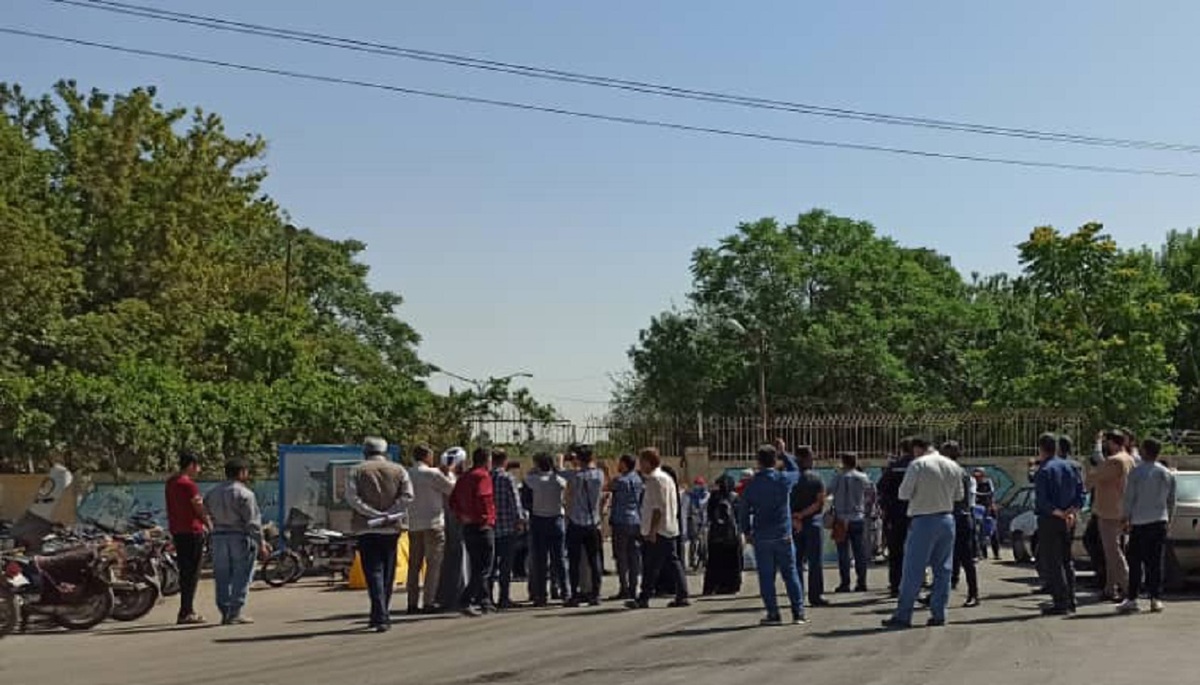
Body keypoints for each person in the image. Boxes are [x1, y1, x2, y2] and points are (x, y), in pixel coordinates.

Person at [882, 437, 963, 630]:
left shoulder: (918, 465)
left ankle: (903, 615)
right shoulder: (953, 466)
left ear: (917, 449)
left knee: (913, 569)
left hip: (923, 519)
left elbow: (903, 493)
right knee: (943, 570)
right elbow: (959, 495)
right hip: (947, 519)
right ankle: (939, 614)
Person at [345, 437, 414, 632]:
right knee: (388, 573)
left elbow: (352, 497)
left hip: (366, 527)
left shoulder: (357, 470)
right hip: (391, 528)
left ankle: (379, 615)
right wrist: (390, 512)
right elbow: (408, 496)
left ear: (365, 451)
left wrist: (372, 513)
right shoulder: (399, 470)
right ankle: (381, 613)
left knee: (373, 572)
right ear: (384, 452)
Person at [740, 444, 806, 625]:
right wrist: (784, 453)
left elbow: (744, 511)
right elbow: (796, 471)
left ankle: (773, 613)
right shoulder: (783, 479)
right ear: (774, 460)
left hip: (762, 536)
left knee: (766, 577)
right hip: (783, 534)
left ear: (758, 462)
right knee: (790, 574)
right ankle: (798, 612)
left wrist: (746, 531)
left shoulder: (752, 485)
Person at [203, 458, 268, 625]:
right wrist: (261, 543)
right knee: (242, 574)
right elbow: (253, 522)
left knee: (221, 575)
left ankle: (224, 610)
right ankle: (235, 611)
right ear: (241, 473)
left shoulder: (212, 492)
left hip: (218, 537)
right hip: (239, 536)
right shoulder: (245, 494)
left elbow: (205, 513)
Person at [627, 447, 690, 610]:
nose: (640, 465)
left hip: (659, 529)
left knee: (651, 565)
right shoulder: (666, 478)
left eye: (642, 462)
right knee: (671, 562)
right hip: (669, 526)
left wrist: (652, 531)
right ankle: (682, 593)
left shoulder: (655, 480)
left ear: (649, 462)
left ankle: (644, 597)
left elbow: (657, 508)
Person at [1119, 438, 1176, 614]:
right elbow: (1171, 500)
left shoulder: (1136, 472)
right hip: (1159, 521)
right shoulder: (1166, 473)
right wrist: (1169, 520)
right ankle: (1155, 598)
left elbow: (1129, 497)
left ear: (1144, 451)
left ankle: (1132, 598)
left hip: (1140, 522)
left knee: (1135, 561)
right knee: (1155, 561)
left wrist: (1125, 518)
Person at [1033, 433, 1086, 616]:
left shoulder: (1044, 470)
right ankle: (1071, 599)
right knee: (1067, 560)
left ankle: (1060, 602)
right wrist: (1071, 512)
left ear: (1041, 448)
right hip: (1069, 519)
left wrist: (1059, 513)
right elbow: (1081, 493)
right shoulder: (1072, 467)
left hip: (1050, 519)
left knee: (1053, 562)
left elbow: (1042, 501)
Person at [406, 444, 455, 614]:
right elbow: (451, 489)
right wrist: (449, 473)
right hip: (433, 523)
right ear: (426, 456)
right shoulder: (432, 473)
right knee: (433, 565)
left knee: (414, 565)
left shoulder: (407, 473)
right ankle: (429, 601)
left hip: (413, 524)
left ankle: (412, 602)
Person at [1089, 430, 1136, 603]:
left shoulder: (1115, 461)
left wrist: (1090, 473)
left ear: (1112, 443)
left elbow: (1095, 476)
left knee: (1113, 552)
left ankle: (1129, 588)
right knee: (1112, 552)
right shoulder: (1129, 459)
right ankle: (1110, 588)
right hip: (1121, 510)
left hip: (1109, 511)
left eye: (1107, 443)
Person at [449, 447, 497, 617]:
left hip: (468, 525)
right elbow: (484, 498)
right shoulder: (482, 476)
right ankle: (466, 600)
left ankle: (484, 601)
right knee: (485, 567)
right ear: (486, 460)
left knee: (476, 565)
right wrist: (486, 519)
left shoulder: (464, 477)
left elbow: (452, 500)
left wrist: (461, 515)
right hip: (482, 526)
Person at [165, 450, 209, 625]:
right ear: (191, 465)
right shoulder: (189, 485)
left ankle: (185, 610)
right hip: (192, 531)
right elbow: (199, 508)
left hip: (177, 531)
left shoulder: (171, 483)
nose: (199, 470)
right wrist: (209, 524)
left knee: (185, 572)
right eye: (198, 466)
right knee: (192, 573)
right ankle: (187, 611)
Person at [561, 445, 606, 606]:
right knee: (594, 560)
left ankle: (574, 594)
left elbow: (558, 472)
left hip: (576, 521)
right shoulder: (599, 474)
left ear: (578, 459)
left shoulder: (575, 475)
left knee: (574, 561)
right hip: (593, 522)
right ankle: (596, 594)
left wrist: (564, 459)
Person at [525, 452, 570, 607]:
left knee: (540, 561)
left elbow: (527, 482)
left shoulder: (534, 480)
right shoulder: (559, 480)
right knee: (560, 559)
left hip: (539, 520)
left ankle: (541, 595)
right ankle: (565, 592)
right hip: (556, 519)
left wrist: (533, 471)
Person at [788, 445, 828, 607]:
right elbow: (820, 502)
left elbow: (783, 501)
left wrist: (795, 517)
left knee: (796, 562)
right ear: (806, 459)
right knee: (815, 562)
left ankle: (798, 596)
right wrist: (803, 514)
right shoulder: (816, 478)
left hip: (793, 524)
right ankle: (815, 595)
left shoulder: (789, 478)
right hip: (813, 522)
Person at [489, 449, 526, 610]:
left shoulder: (486, 477)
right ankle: (504, 598)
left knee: (490, 566)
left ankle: (488, 598)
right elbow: (515, 501)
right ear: (504, 460)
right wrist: (520, 520)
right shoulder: (508, 478)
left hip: (491, 527)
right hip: (507, 527)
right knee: (506, 565)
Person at [944, 442, 980, 608]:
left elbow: (958, 498)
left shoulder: (956, 472)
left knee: (966, 559)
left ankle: (974, 594)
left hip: (959, 518)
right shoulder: (956, 471)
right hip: (955, 517)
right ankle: (938, 592)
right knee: (944, 558)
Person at [878, 438, 916, 596]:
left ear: (901, 449)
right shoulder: (919, 466)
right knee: (916, 551)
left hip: (895, 515)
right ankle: (914, 585)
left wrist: (886, 508)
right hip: (916, 514)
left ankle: (895, 585)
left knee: (896, 552)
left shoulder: (893, 467)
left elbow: (881, 488)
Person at [831, 452, 871, 593]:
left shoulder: (838, 477)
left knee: (843, 552)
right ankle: (862, 582)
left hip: (841, 518)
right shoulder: (862, 477)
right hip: (857, 517)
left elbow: (828, 491)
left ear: (843, 462)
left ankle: (845, 583)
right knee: (859, 552)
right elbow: (870, 494)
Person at [607, 454, 644, 601]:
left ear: (624, 464)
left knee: (621, 557)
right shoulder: (638, 480)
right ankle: (633, 588)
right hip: (636, 520)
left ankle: (624, 587)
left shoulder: (620, 481)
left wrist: (606, 472)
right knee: (634, 556)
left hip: (621, 521)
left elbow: (607, 486)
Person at [437, 448, 469, 612]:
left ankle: (446, 595)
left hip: (449, 520)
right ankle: (457, 595)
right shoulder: (450, 479)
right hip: (454, 521)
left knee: (451, 558)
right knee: (458, 557)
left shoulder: (445, 477)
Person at [702, 475, 743, 595]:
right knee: (732, 562)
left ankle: (712, 587)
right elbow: (739, 516)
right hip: (731, 536)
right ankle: (731, 586)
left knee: (714, 562)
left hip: (715, 535)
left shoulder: (714, 497)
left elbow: (709, 514)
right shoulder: (735, 497)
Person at [972, 469, 1000, 560]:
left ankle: (996, 553)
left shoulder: (987, 482)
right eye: (975, 476)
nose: (977, 478)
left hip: (988, 508)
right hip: (978, 510)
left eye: (979, 476)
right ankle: (983, 553)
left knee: (993, 531)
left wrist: (992, 505)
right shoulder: (973, 484)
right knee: (980, 532)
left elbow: (991, 494)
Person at [686, 477, 710, 570]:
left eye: (700, 484)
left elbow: (704, 505)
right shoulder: (690, 495)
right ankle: (693, 561)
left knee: (703, 542)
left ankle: (703, 560)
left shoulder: (706, 495)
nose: (698, 486)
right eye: (697, 484)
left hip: (704, 521)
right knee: (694, 541)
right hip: (693, 519)